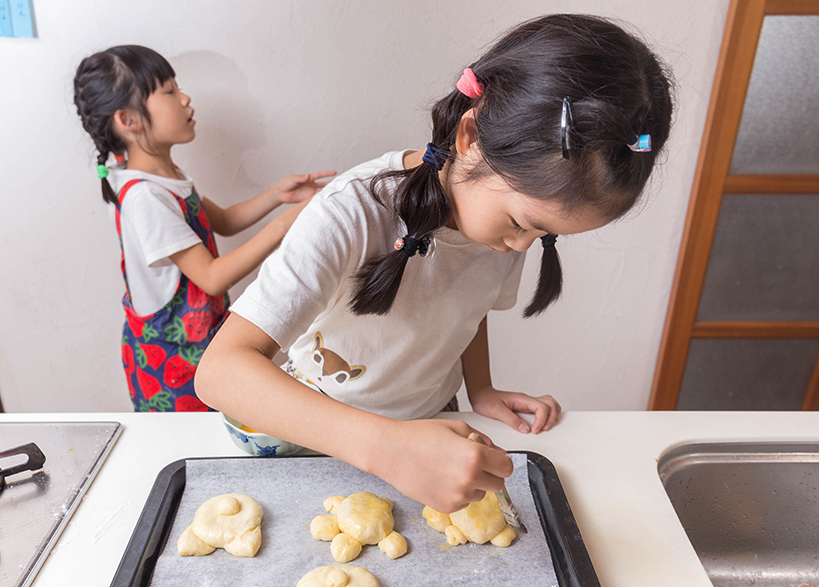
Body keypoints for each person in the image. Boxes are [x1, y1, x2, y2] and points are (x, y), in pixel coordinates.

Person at [195, 14, 674, 512]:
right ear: (470, 138)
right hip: (305, 430)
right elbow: (219, 372)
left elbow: (468, 307)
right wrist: (385, 448)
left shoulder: (503, 229)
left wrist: (481, 390)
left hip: (421, 427)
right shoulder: (351, 213)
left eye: (544, 233)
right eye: (520, 221)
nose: (521, 246)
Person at [73, 45, 334, 412]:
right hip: (170, 362)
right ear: (129, 120)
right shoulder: (146, 196)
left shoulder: (165, 179)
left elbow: (222, 220)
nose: (185, 98)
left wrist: (278, 196)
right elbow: (211, 277)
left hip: (195, 341)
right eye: (169, 92)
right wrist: (287, 223)